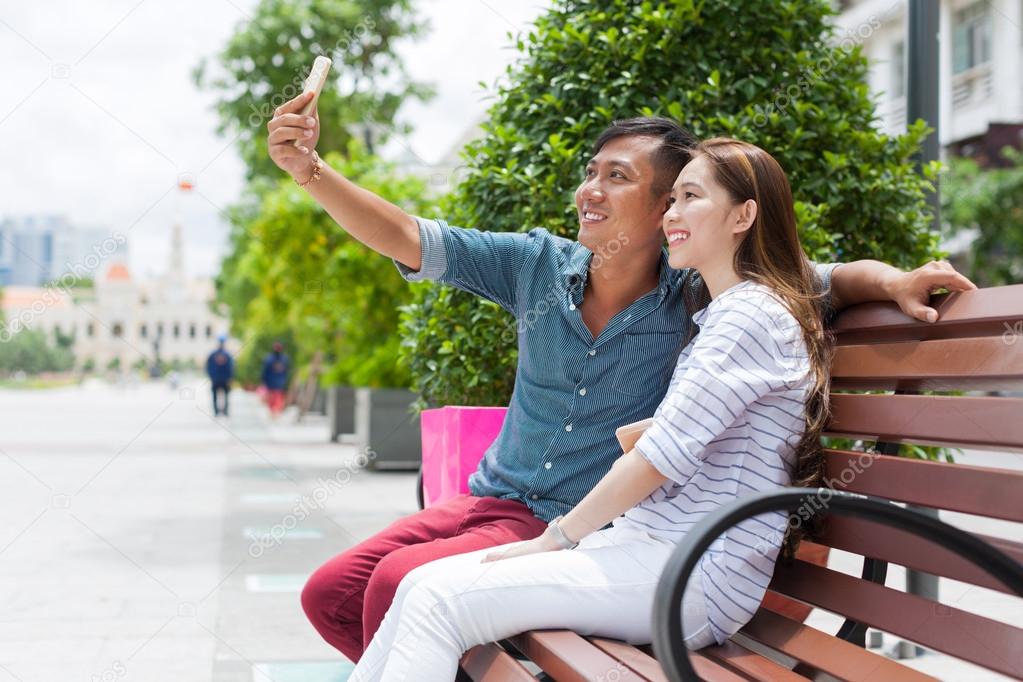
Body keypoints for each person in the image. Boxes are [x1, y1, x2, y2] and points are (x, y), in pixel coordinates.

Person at [265, 91, 976, 663]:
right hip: (500, 501)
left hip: (595, 528)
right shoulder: (533, 265)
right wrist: (311, 172)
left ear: (671, 205)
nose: (589, 191)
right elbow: (408, 236)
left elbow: (815, 278)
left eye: (619, 179)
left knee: (406, 587)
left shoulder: (703, 295)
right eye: (590, 172)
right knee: (333, 590)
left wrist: (895, 277)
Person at [347, 137, 833, 680]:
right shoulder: (728, 314)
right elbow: (699, 433)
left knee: (439, 601)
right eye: (671, 200)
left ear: (744, 216)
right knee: (419, 585)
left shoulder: (748, 317)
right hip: (648, 549)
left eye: (690, 197)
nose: (672, 215)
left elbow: (658, 460)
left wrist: (553, 539)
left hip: (692, 573)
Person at [206, 334, 234, 416]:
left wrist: (230, 377)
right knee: (219, 396)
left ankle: (223, 411)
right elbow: (209, 366)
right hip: (218, 379)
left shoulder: (224, 355)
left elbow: (230, 367)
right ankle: (218, 411)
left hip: (221, 379)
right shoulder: (224, 355)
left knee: (224, 396)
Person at [261, 342, 290, 416]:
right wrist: (264, 381)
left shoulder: (284, 359)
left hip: (279, 383)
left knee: (277, 398)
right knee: (271, 398)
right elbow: (265, 371)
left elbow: (286, 371)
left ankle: (275, 411)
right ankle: (273, 411)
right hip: (271, 382)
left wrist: (286, 381)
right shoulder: (269, 359)